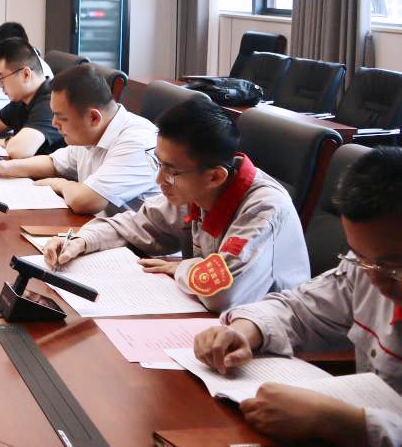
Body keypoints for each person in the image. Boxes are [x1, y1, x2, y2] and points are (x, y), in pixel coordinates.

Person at [193, 147, 402, 446]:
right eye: (360, 257)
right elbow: (299, 308)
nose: (374, 279)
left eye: (393, 266)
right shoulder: (365, 267)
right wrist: (245, 330)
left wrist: (340, 421)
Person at [42, 98, 308, 311]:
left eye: (171, 170)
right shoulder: (196, 188)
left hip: (272, 340)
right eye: (159, 163)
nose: (160, 180)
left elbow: (221, 292)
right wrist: (81, 240)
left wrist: (182, 267)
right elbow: (136, 226)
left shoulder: (264, 208)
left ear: (215, 176)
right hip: (212, 322)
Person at [0, 64, 158, 214]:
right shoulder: (91, 132)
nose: (54, 123)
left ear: (93, 118)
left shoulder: (137, 140)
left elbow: (85, 201)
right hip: (100, 230)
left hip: (138, 243)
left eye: (62, 117)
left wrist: (60, 184)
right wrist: (5, 167)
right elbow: (54, 163)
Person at [0, 39, 65, 157]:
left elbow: (19, 150)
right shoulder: (23, 99)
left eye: (2, 78)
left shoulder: (51, 101)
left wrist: (4, 142)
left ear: (26, 74)